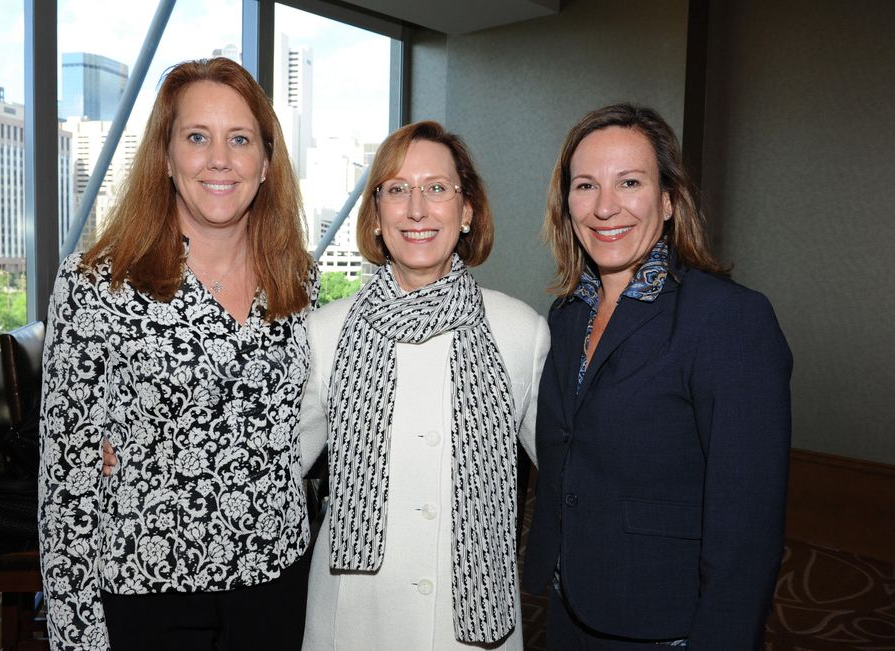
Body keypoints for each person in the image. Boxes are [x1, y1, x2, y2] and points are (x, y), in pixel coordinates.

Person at [39, 57, 317, 651]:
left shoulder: (299, 281)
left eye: (240, 139)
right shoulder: (95, 286)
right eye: (197, 137)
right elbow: (66, 485)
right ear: (165, 158)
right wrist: (76, 634)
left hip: (276, 577)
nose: (220, 159)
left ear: (266, 164)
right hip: (150, 585)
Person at [523, 103, 792, 649]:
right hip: (571, 604)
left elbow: (746, 525)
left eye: (629, 182)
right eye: (584, 186)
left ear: (669, 200)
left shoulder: (728, 318)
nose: (605, 207)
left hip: (666, 623)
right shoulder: (568, 314)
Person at [299, 121, 550, 650]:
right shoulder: (324, 332)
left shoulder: (521, 330)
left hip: (472, 625)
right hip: (354, 619)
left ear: (467, 212)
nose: (417, 209)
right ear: (376, 216)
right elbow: (271, 467)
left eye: (437, 188)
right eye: (397, 189)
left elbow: (573, 470)